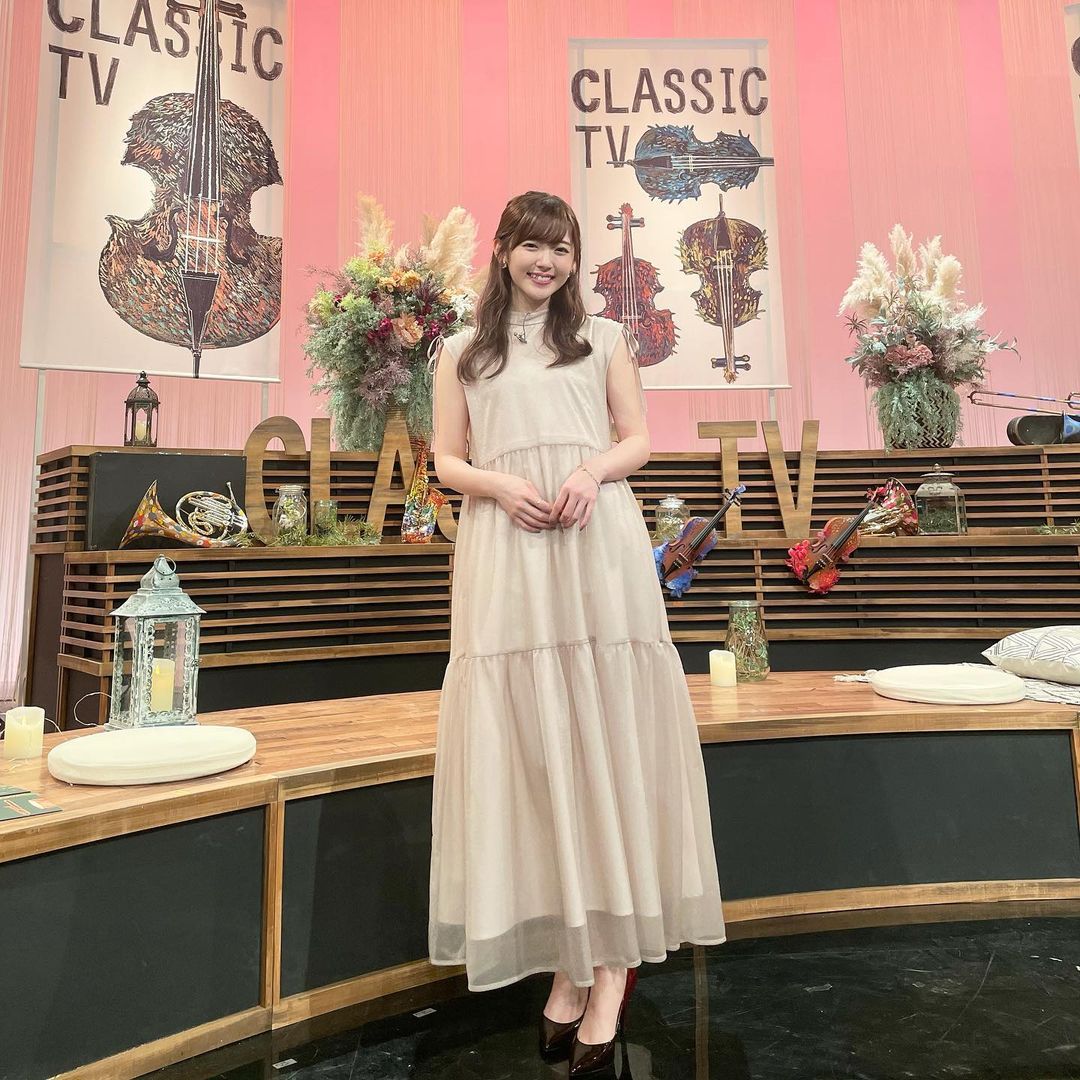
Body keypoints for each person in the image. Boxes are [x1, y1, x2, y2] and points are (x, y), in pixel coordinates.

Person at [427, 190, 725, 1075]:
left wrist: (592, 473)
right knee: (537, 751)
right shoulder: (461, 351)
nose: (546, 262)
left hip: (597, 544)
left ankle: (609, 968)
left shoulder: (604, 339)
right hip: (507, 550)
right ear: (502, 250)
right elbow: (446, 459)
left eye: (560, 248)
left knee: (606, 741)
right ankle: (569, 954)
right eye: (532, 245)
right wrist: (495, 486)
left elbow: (638, 441)